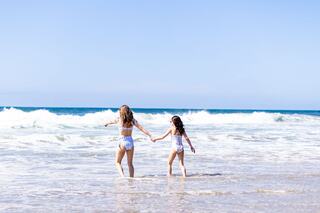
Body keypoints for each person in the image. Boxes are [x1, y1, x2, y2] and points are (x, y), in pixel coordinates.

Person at [105, 105, 152, 177]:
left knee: (117, 162)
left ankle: (122, 177)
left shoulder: (119, 119)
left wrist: (106, 123)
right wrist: (150, 135)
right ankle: (131, 179)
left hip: (122, 141)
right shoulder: (132, 120)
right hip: (130, 141)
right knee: (130, 164)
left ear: (121, 111)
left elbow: (111, 121)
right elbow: (142, 128)